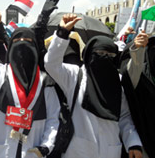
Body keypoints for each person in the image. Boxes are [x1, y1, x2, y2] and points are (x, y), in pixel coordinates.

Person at [0, 0, 61, 158]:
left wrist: (46, 146)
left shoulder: (45, 81)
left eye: (28, 43)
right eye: (16, 42)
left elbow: (53, 118)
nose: (22, 46)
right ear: (10, 49)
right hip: (1, 150)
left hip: (32, 151)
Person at [44, 14, 143, 158]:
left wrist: (133, 142)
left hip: (110, 150)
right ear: (89, 54)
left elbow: (124, 117)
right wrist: (62, 33)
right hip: (78, 151)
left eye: (110, 55)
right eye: (100, 53)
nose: (105, 57)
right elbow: (51, 64)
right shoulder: (75, 76)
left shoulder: (117, 81)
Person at [121, 32, 155, 158]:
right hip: (145, 147)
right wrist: (138, 49)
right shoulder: (140, 79)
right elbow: (134, 67)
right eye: (154, 49)